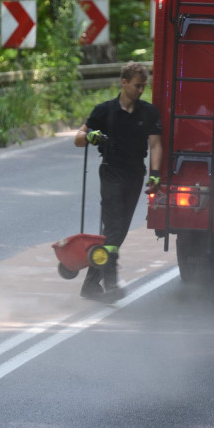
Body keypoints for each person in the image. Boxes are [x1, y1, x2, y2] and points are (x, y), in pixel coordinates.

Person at [74, 62, 163, 299]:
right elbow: (78, 138)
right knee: (113, 228)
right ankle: (111, 281)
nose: (141, 90)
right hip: (111, 171)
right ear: (124, 82)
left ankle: (91, 284)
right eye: (137, 86)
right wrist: (90, 135)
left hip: (135, 174)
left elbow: (155, 144)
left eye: (144, 86)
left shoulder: (149, 112)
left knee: (119, 231)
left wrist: (155, 173)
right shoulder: (105, 111)